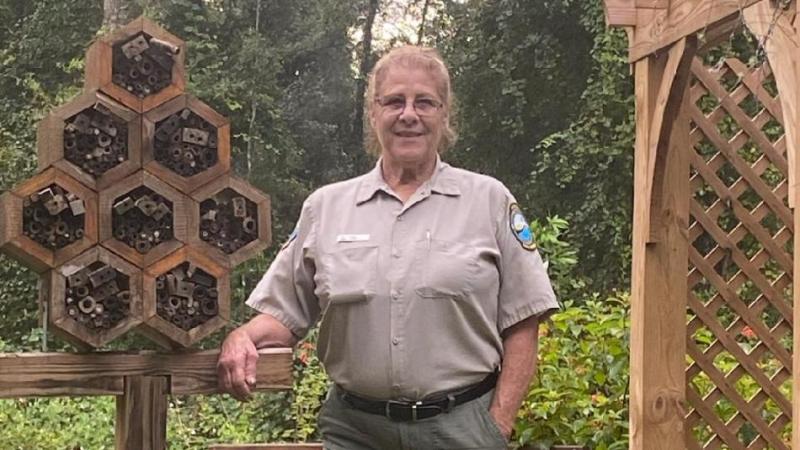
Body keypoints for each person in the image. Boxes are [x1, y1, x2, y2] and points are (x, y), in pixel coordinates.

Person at [217, 45, 558, 450]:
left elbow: (523, 322)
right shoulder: (326, 208)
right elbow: (285, 317)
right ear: (374, 113)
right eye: (394, 101)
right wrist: (242, 336)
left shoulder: (489, 201)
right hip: (355, 432)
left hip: (461, 431)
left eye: (425, 102)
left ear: (444, 114)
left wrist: (497, 425)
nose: (409, 114)